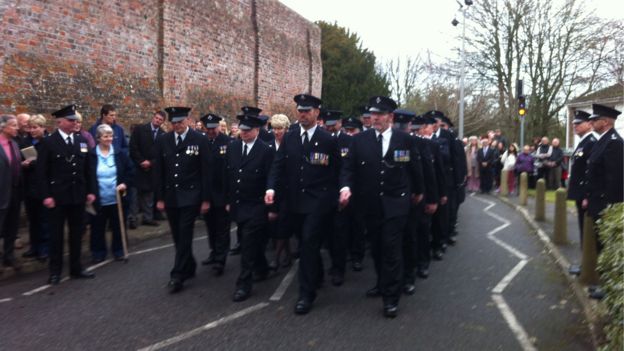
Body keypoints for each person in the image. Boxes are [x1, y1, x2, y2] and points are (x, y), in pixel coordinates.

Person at [339, 96, 424, 318]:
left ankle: (391, 298)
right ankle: (381, 282)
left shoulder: (404, 140)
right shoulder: (359, 141)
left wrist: (420, 193)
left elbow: (415, 169)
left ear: (390, 117)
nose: (374, 118)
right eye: (372, 114)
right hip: (370, 205)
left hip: (396, 203)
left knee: (391, 249)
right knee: (376, 248)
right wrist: (345, 187)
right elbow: (348, 168)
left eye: (380, 114)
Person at [265, 93, 340, 315]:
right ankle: (316, 276)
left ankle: (306, 295)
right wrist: (270, 188)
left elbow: (336, 172)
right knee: (305, 242)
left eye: (307, 111)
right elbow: (278, 166)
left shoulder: (328, 140)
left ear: (317, 112)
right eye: (300, 110)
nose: (303, 114)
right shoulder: (290, 138)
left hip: (317, 203)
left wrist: (336, 197)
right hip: (294, 202)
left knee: (308, 244)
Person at [153, 107, 211, 293]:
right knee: (178, 235)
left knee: (185, 233)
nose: (177, 125)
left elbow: (205, 172)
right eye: (174, 122)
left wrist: (205, 199)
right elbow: (159, 172)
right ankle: (189, 264)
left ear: (187, 120)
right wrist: (160, 198)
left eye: (180, 121)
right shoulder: (164, 140)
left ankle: (177, 274)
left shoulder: (199, 139)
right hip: (171, 196)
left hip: (191, 196)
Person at [37, 105, 96, 285]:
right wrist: (46, 195)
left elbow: (88, 170)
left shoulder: (81, 141)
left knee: (77, 233)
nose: (74, 123)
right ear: (59, 122)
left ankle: (76, 267)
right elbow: (41, 173)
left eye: (75, 120)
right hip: (57, 197)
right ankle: (55, 271)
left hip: (77, 195)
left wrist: (91, 191)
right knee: (56, 236)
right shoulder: (48, 142)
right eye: (71, 120)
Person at [226, 111, 275, 302]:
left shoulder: (265, 150)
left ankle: (243, 285)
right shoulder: (233, 147)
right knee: (250, 243)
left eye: (247, 130)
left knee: (247, 244)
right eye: (242, 130)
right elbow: (227, 176)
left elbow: (271, 178)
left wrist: (271, 207)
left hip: (256, 205)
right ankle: (262, 267)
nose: (244, 133)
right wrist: (228, 202)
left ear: (256, 130)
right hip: (239, 204)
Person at [582, 104, 623, 300]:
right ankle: (603, 284)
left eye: (594, 120)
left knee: (606, 248)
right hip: (597, 202)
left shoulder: (614, 143)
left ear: (605, 122)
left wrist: (608, 209)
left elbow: (614, 180)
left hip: (606, 205)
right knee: (599, 245)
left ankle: (608, 288)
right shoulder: (603, 141)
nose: (591, 123)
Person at [88, 124, 134, 262]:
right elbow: (86, 175)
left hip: (117, 198)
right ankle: (98, 252)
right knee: (97, 227)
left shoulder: (120, 153)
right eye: (105, 136)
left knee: (118, 226)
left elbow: (130, 171)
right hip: (98, 198)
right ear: (98, 138)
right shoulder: (91, 155)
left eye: (111, 136)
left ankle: (119, 250)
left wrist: (124, 183)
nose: (109, 139)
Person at [198, 113, 231, 276]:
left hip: (222, 193)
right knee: (210, 226)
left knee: (222, 228)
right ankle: (214, 252)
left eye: (213, 128)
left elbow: (230, 171)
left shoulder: (228, 142)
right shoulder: (202, 142)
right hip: (207, 193)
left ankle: (220, 259)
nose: (211, 131)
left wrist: (229, 197)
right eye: (208, 128)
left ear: (219, 126)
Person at [129, 111, 166, 227]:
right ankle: (133, 219)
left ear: (163, 122)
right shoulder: (140, 129)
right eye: (156, 118)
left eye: (160, 120)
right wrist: (141, 161)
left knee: (148, 196)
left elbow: (162, 154)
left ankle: (147, 218)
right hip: (137, 167)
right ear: (153, 117)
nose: (157, 121)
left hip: (151, 169)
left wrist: (150, 163)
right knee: (134, 196)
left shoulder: (163, 135)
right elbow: (133, 147)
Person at [21, 114, 50, 261]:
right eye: (30, 127)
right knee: (32, 219)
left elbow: (48, 164)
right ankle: (34, 247)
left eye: (35, 127)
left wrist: (32, 163)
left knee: (44, 219)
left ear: (43, 128)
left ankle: (44, 248)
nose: (32, 130)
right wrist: (23, 164)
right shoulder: (25, 142)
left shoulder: (48, 142)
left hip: (43, 186)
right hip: (29, 186)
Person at [566, 111, 596, 245]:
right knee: (582, 225)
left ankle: (586, 262)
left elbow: (590, 171)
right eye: (574, 124)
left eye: (578, 123)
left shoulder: (591, 143)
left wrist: (586, 195)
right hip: (579, 191)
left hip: (584, 192)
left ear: (589, 124)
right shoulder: (583, 142)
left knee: (586, 227)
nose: (574, 126)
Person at [267, 113, 292, 269]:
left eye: (280, 128)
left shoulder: (292, 145)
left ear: (287, 129)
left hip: (288, 192)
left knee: (283, 223)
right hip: (271, 192)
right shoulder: (268, 146)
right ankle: (287, 254)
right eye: (274, 128)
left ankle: (276, 258)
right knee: (274, 225)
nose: (277, 132)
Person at [0, 115, 23, 270]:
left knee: (12, 227)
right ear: (3, 127)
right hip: (1, 192)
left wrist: (23, 164)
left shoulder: (14, 144)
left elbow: (14, 164)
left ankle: (9, 256)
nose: (17, 128)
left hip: (15, 191)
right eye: (13, 125)